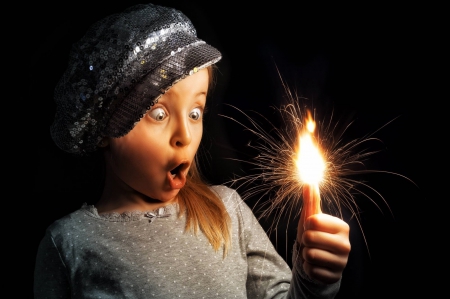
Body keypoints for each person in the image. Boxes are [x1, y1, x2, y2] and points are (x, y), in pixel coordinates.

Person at [34, 3, 351, 298]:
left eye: (195, 113)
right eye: (158, 115)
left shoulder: (228, 212)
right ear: (106, 130)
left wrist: (314, 280)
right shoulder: (69, 244)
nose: (185, 136)